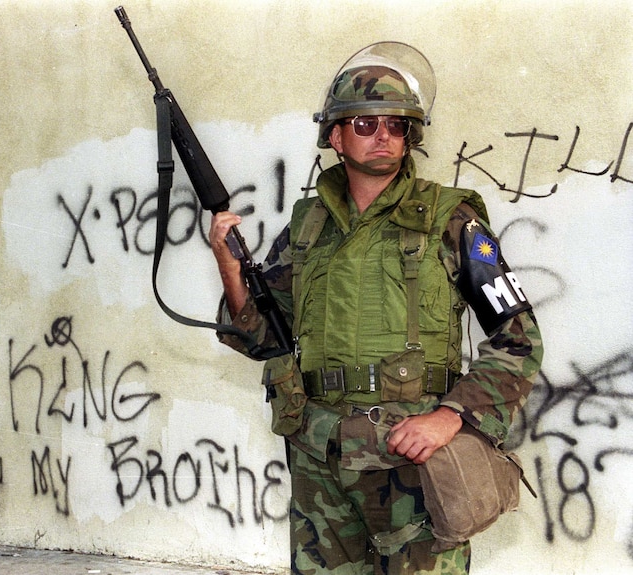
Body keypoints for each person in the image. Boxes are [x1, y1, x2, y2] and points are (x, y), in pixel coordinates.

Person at [208, 42, 543, 574]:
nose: (382, 135)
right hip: (320, 456)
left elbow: (518, 338)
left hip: (411, 462)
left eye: (395, 124)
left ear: (410, 135)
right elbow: (262, 337)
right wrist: (228, 267)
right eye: (364, 124)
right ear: (336, 137)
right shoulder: (308, 227)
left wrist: (449, 417)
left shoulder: (450, 220)